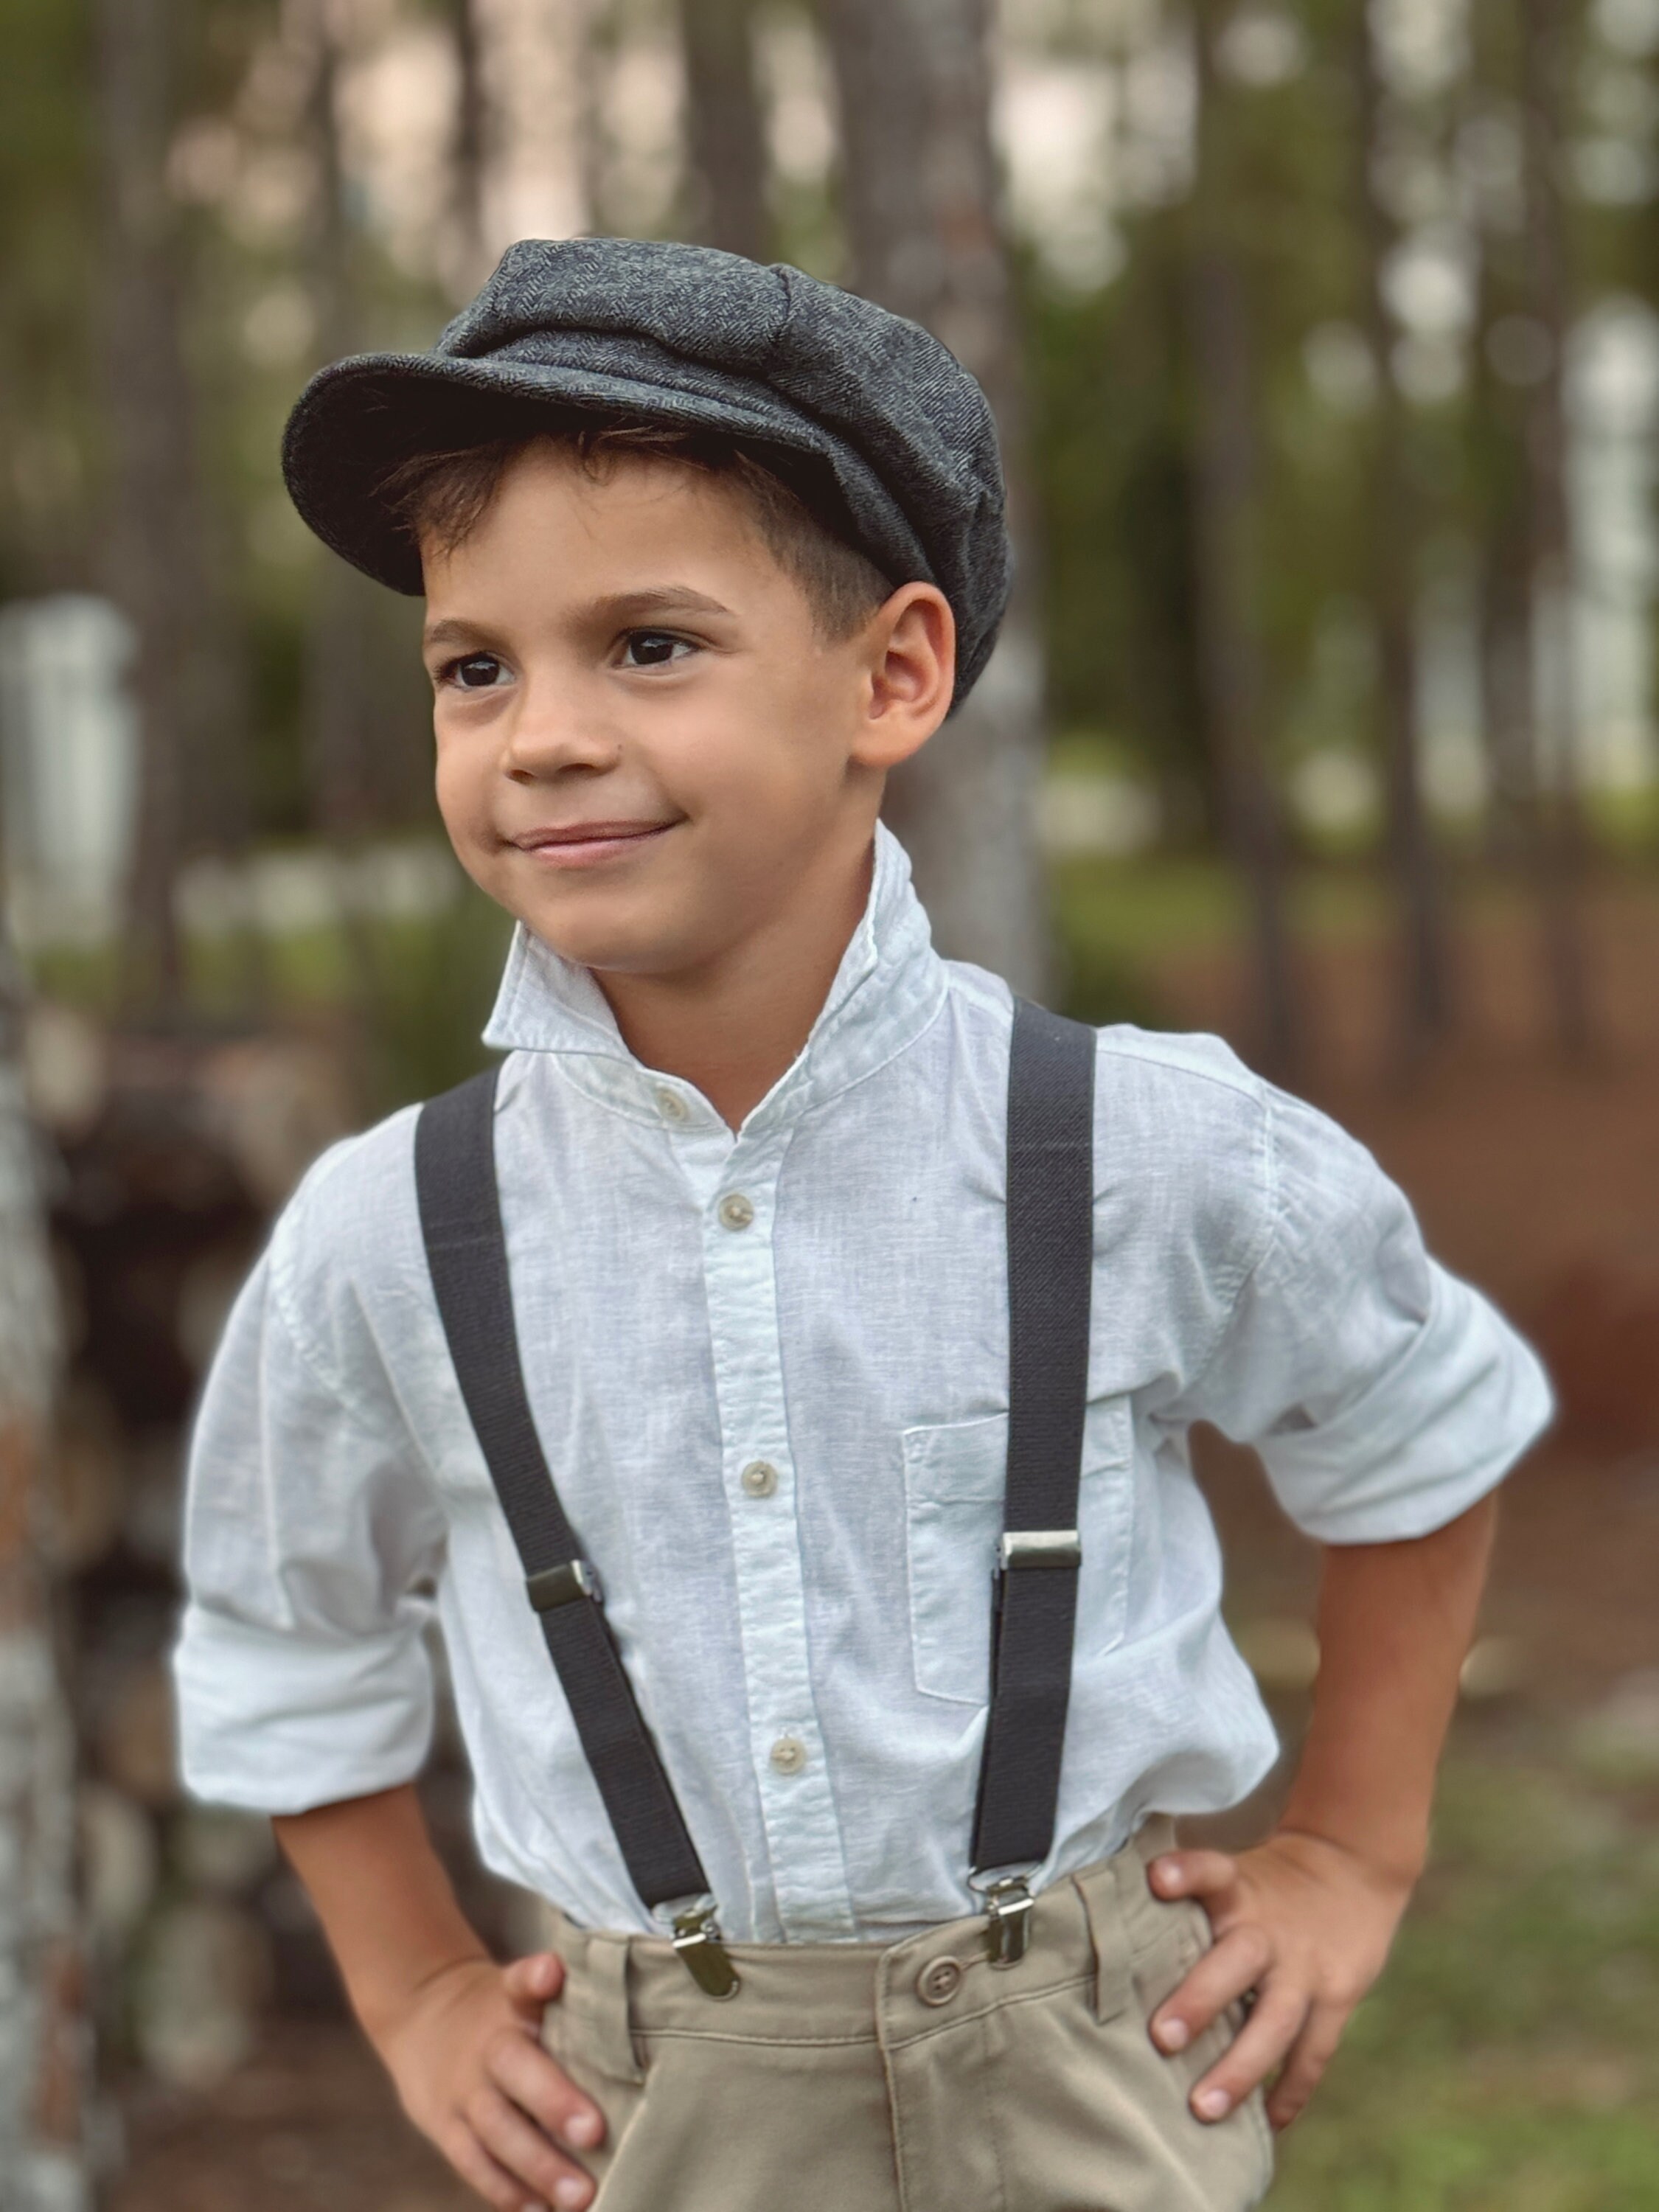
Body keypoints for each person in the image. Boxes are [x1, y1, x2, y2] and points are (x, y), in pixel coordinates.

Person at [173, 237, 1551, 2212]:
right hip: (655, 2099)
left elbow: (1419, 1428)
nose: (541, 733)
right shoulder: (387, 1233)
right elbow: (284, 1626)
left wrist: (1350, 1851)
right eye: (477, 667)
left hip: (1090, 2061)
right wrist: (414, 1992)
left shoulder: (1139, 1146)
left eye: (649, 645)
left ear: (892, 676)